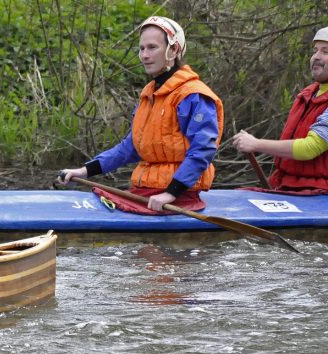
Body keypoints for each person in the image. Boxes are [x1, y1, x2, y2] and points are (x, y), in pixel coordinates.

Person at [58, 16, 224, 214]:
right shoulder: (150, 94)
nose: (145, 55)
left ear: (173, 50)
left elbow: (203, 149)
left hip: (179, 197)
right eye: (142, 48)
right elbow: (131, 147)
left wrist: (171, 193)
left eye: (152, 47)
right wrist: (85, 171)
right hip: (147, 191)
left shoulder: (194, 95)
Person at [231, 26, 328, 194]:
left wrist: (256, 144)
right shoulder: (308, 94)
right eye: (315, 51)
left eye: (325, 52)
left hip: (318, 194)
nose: (316, 57)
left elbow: (309, 148)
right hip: (289, 186)